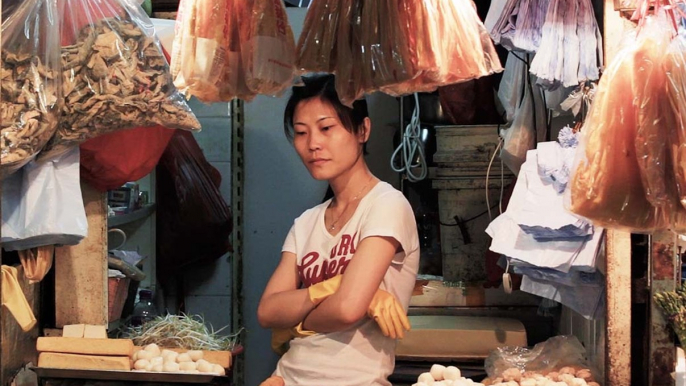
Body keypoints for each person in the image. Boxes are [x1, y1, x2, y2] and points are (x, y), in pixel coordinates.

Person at [257, 74, 420, 386]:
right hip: (284, 378)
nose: (313, 144)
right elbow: (268, 311)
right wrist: (330, 288)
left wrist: (295, 324)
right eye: (301, 133)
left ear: (362, 130)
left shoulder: (387, 205)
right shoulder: (306, 222)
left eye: (326, 128)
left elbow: (347, 309)